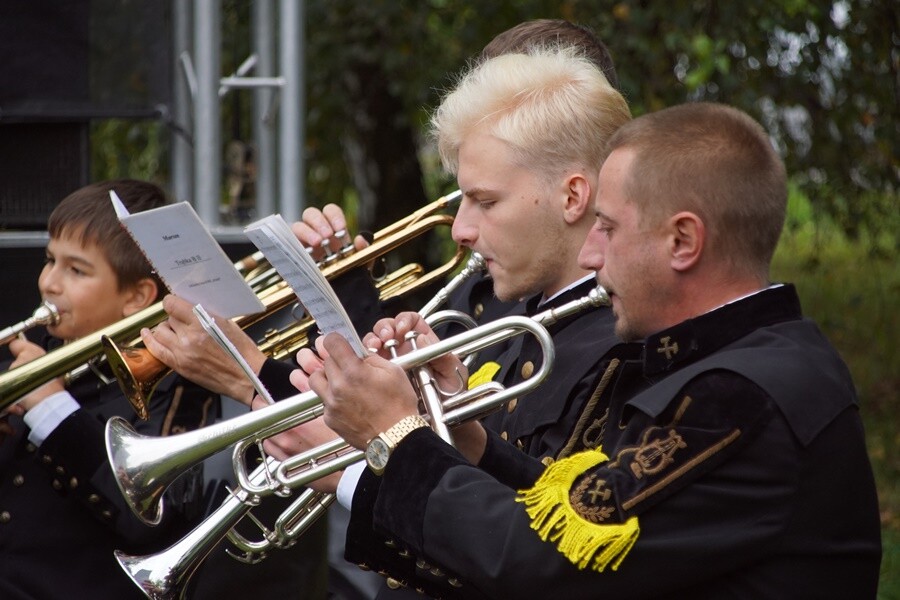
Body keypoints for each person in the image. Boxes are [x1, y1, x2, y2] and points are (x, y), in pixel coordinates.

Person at [301, 102, 883, 598]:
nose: (589, 255)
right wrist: (471, 444)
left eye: (606, 227)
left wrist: (392, 441)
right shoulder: (741, 363)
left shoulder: (741, 395)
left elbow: (539, 564)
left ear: (683, 241)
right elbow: (583, 518)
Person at [142, 20, 630, 600]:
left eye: (484, 200)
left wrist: (255, 380)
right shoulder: (512, 310)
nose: (462, 229)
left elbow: (530, 552)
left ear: (574, 196)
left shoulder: (619, 341)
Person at [0, 180, 219, 599]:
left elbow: (153, 521)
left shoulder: (177, 385)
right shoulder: (32, 355)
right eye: (50, 260)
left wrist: (51, 409)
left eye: (76, 270)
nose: (49, 282)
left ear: (137, 297)